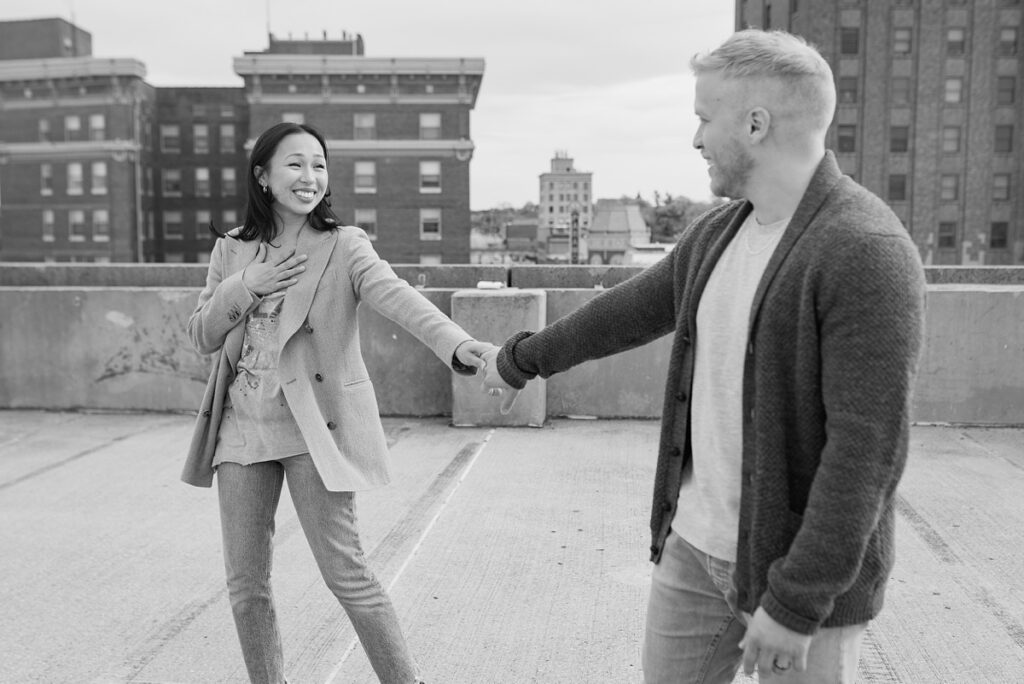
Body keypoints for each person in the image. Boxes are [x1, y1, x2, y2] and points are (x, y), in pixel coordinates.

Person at [482, 29, 926, 684]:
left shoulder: (863, 249)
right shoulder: (720, 231)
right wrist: (523, 360)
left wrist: (797, 601)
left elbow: (867, 452)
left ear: (755, 123)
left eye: (703, 118)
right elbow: (632, 309)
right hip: (695, 547)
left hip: (801, 580)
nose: (694, 139)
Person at [181, 121, 492, 684]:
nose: (310, 176)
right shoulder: (231, 249)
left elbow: (398, 297)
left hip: (312, 429)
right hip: (241, 431)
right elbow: (202, 333)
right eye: (295, 164)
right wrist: (248, 281)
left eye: (319, 165)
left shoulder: (344, 245)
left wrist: (457, 342)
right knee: (247, 588)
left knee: (347, 575)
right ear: (264, 175)